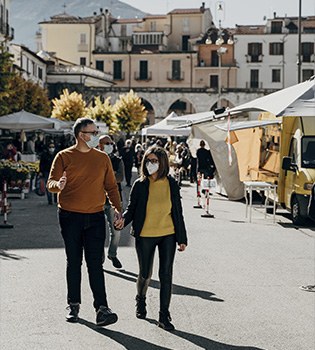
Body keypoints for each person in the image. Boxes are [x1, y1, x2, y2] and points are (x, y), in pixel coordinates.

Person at [47, 117, 122, 327]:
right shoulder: (64, 156)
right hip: (70, 216)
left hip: (96, 217)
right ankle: (73, 304)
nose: (96, 136)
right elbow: (50, 183)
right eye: (93, 132)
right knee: (74, 262)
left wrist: (118, 209)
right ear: (82, 135)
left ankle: (102, 309)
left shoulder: (102, 158)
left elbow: (111, 187)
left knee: (95, 264)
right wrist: (58, 185)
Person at [115, 146, 187, 331]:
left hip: (168, 235)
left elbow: (178, 211)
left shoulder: (171, 183)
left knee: (166, 274)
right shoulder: (140, 184)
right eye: (148, 160)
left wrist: (182, 237)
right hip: (145, 235)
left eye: (154, 161)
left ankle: (164, 315)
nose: (150, 164)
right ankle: (141, 299)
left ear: (162, 163)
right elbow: (131, 208)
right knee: (145, 273)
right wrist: (123, 219)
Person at [99, 135, 124, 269]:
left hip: (114, 199)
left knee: (116, 231)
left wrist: (105, 176)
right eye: (106, 143)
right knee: (99, 231)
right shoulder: (95, 159)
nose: (109, 145)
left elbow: (120, 177)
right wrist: (111, 175)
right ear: (99, 145)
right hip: (97, 199)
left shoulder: (117, 160)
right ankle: (100, 257)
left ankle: (112, 254)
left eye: (110, 143)